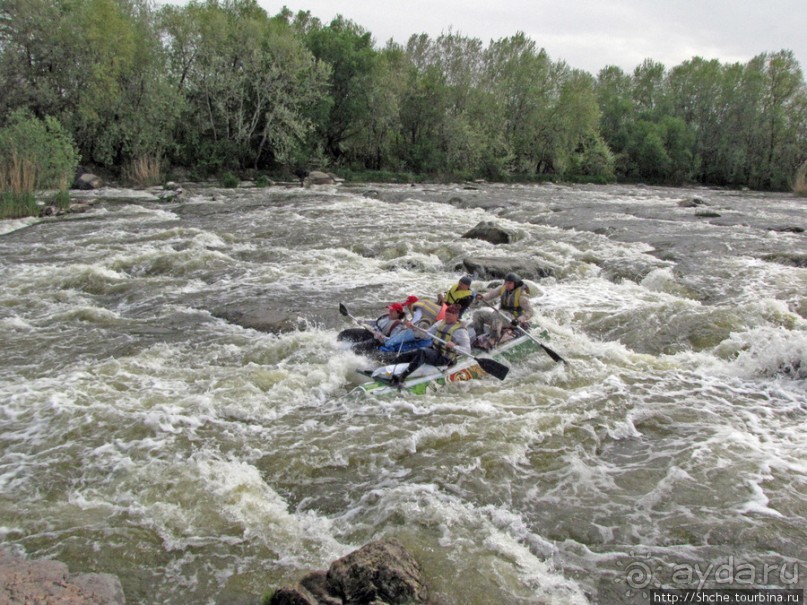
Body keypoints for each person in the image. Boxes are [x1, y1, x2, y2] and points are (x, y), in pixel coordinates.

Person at [387, 304, 471, 385]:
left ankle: (401, 377)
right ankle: (386, 370)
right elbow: (426, 335)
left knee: (422, 352)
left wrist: (455, 346)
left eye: (450, 315)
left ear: (456, 315)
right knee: (405, 355)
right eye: (446, 315)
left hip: (445, 358)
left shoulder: (461, 331)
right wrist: (414, 328)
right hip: (434, 350)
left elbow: (467, 350)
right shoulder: (441, 322)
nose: (447, 317)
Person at [471, 273, 534, 349]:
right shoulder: (502, 288)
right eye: (506, 282)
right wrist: (483, 296)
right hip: (500, 316)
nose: (507, 285)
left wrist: (520, 320)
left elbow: (530, 312)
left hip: (513, 319)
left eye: (510, 283)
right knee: (478, 314)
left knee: (497, 316)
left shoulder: (522, 296)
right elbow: (490, 295)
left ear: (516, 284)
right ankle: (479, 336)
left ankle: (493, 340)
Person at [338, 302, 408, 356]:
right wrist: (364, 321)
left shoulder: (398, 326)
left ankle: (344, 355)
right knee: (345, 333)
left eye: (392, 311)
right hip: (369, 332)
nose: (390, 312)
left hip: (376, 341)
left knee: (355, 348)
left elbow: (392, 340)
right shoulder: (386, 316)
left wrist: (382, 337)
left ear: (398, 313)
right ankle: (335, 345)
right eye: (390, 310)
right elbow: (375, 322)